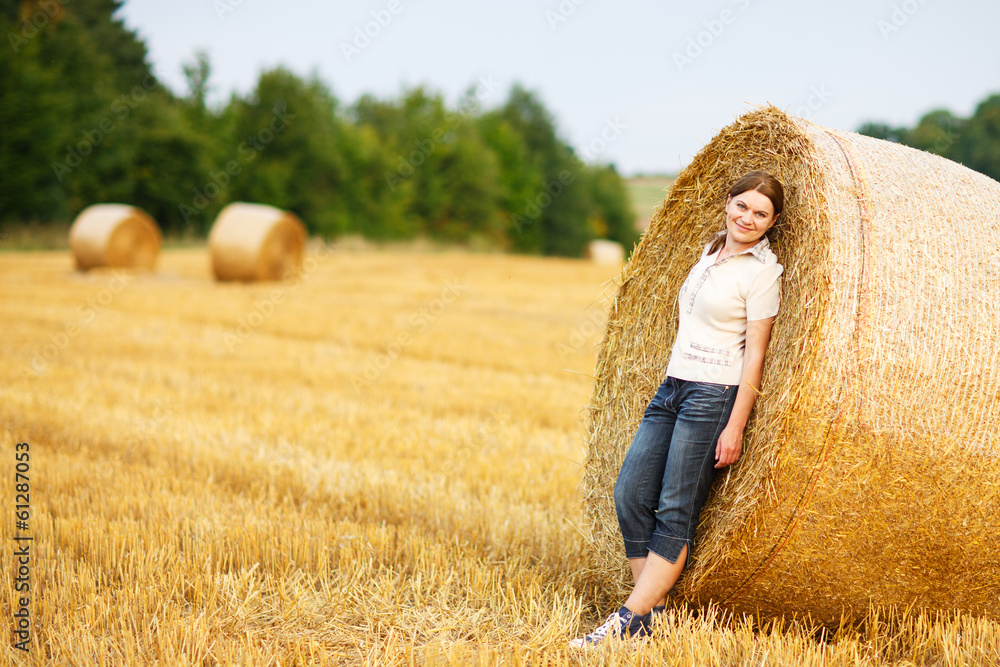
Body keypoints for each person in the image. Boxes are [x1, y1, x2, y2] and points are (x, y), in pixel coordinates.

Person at [571, 170, 785, 648]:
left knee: (674, 509)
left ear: (772, 223)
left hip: (713, 395)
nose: (747, 218)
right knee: (629, 494)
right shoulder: (710, 252)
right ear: (727, 201)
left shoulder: (762, 272)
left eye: (761, 213)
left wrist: (736, 425)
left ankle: (628, 618)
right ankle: (654, 613)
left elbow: (756, 355)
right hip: (672, 388)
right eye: (743, 206)